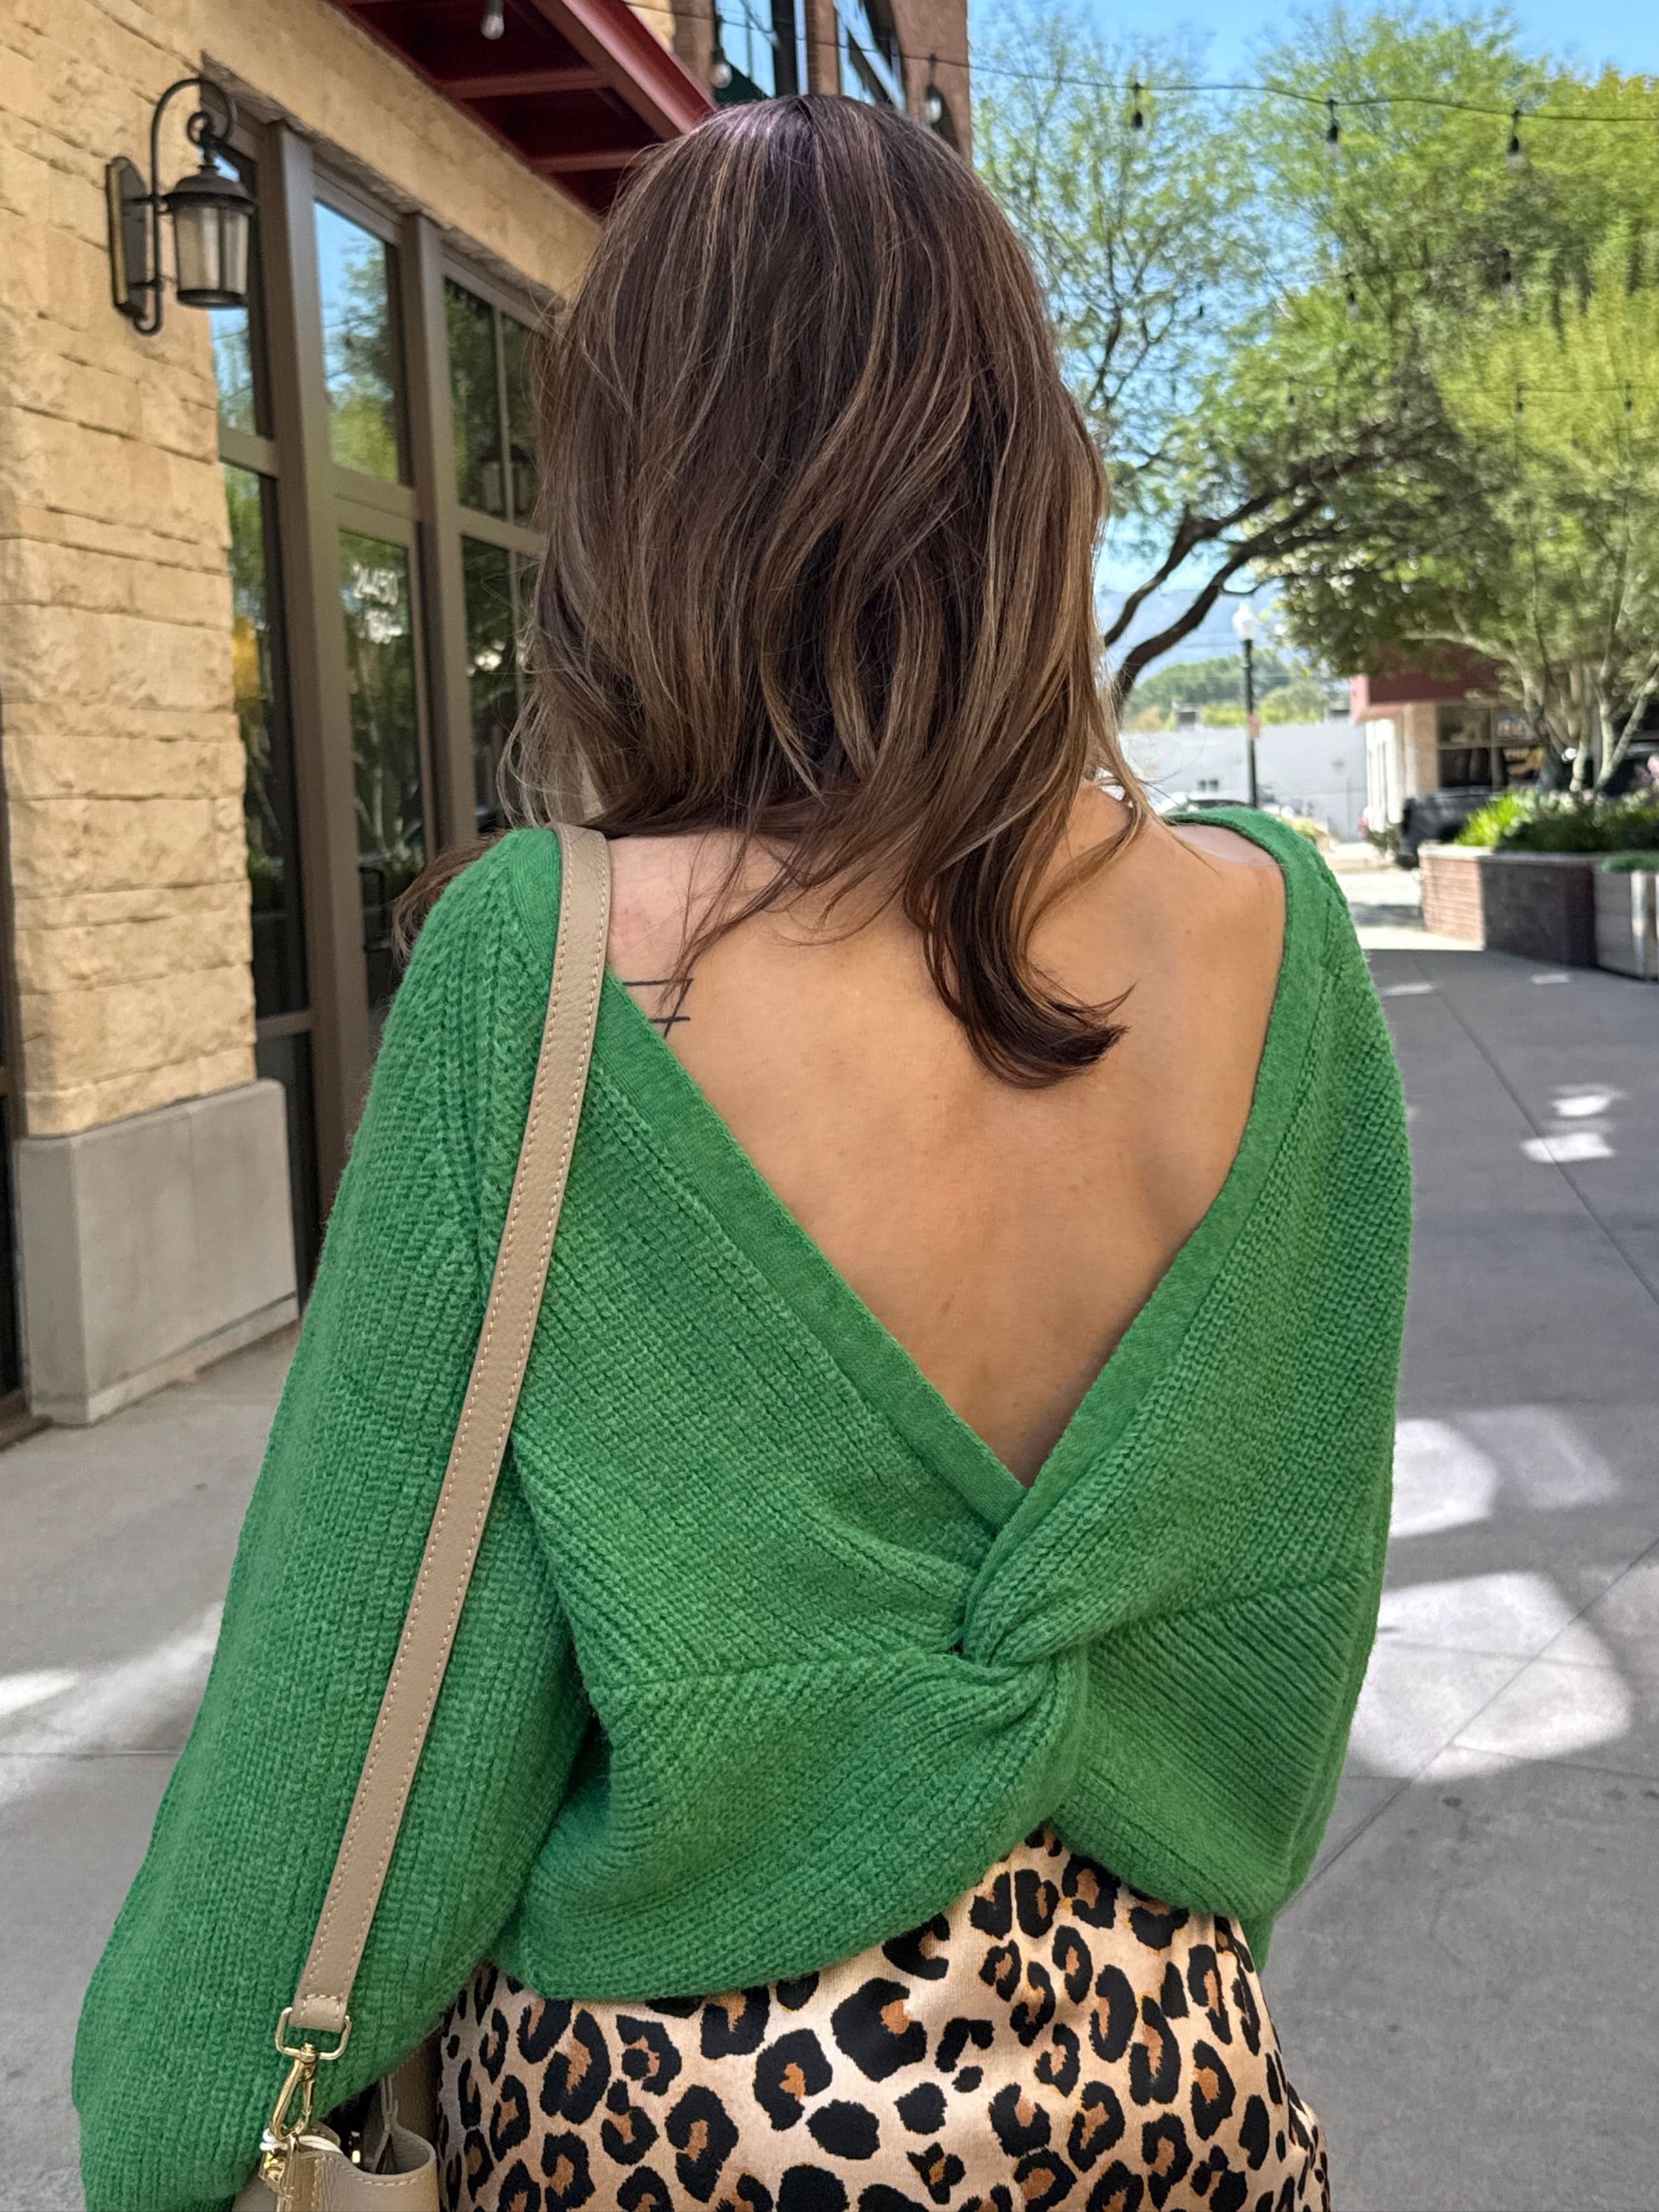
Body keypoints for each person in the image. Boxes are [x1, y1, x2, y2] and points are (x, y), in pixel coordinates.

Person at [75, 95, 1410, 2212]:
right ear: (1020, 473)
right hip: (1174, 2091)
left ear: (652, 500)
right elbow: (1287, 1623)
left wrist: (158, 2137)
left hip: (686, 2137)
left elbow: (364, 1731)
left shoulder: (552, 967)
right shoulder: (1281, 950)